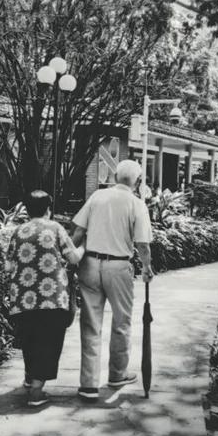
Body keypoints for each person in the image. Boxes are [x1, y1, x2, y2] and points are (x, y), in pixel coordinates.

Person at [72, 159, 154, 401]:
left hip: (89, 263)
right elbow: (142, 244)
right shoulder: (137, 204)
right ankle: (117, 375)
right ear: (138, 182)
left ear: (115, 176)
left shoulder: (97, 196)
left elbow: (78, 232)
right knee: (121, 323)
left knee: (90, 324)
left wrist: (67, 260)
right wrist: (147, 268)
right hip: (119, 267)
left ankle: (88, 384)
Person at [6, 190, 85, 407]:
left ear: (27, 210)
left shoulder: (18, 231)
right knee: (48, 343)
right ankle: (36, 393)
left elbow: (8, 266)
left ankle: (30, 379)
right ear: (49, 209)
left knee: (29, 339)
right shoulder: (55, 228)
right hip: (52, 298)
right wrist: (84, 245)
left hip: (23, 298)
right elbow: (74, 257)